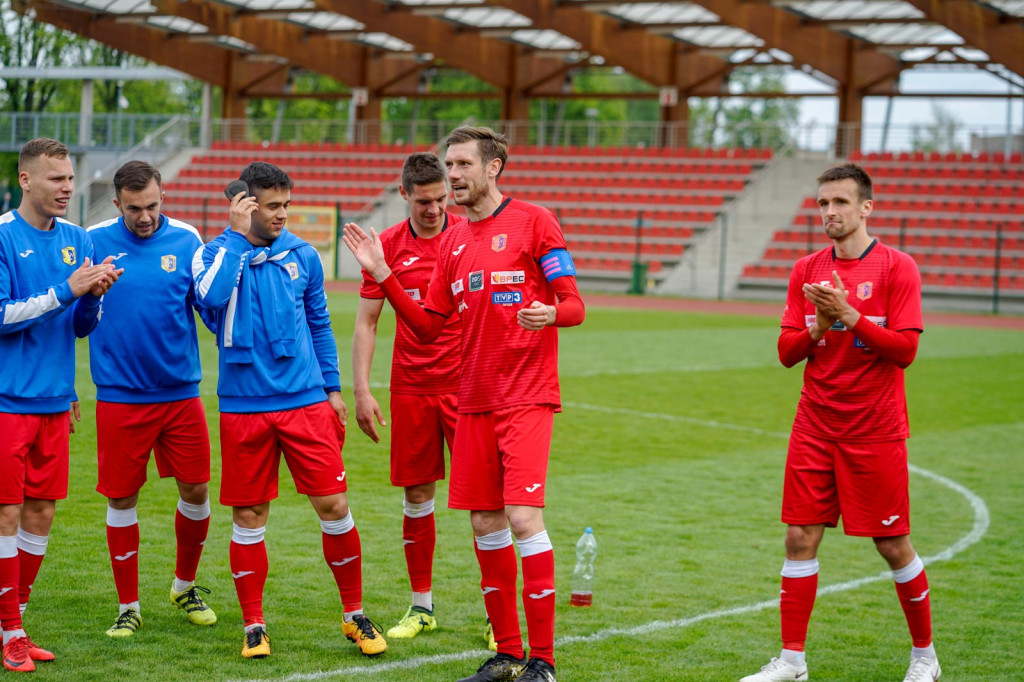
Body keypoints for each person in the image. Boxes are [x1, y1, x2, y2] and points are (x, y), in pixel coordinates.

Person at [344, 126, 586, 682]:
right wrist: (382, 274)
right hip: (471, 400)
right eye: (448, 165)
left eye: (461, 165)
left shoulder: (535, 221)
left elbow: (573, 304)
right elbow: (428, 328)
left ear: (493, 168)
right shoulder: (453, 243)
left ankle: (543, 663)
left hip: (525, 396)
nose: (452, 175)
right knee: (484, 523)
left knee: (523, 518)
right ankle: (506, 653)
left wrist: (551, 313)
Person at [742, 164, 937, 682]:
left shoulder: (898, 268)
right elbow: (786, 353)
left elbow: (906, 351)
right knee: (799, 539)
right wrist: (820, 326)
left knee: (892, 544)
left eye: (840, 203)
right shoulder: (806, 269)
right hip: (814, 426)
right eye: (823, 203)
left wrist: (850, 316)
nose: (829, 212)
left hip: (875, 429)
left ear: (865, 208)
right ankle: (791, 662)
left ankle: (925, 658)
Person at [192, 161, 387, 660]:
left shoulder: (302, 255)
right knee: (250, 514)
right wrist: (237, 240)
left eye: (286, 205)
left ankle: (354, 615)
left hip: (305, 401)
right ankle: (254, 624)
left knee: (335, 506)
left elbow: (319, 323)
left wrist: (334, 388)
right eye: (272, 207)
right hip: (244, 407)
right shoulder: (212, 255)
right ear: (246, 205)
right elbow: (209, 301)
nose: (282, 215)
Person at [0, 138, 121, 672]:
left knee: (41, 513)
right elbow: (3, 315)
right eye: (56, 179)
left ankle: (15, 621)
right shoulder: (2, 236)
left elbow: (77, 327)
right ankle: (10, 631)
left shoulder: (77, 239)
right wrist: (68, 290)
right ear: (26, 180)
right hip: (7, 400)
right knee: (6, 513)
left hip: (53, 401)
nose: (67, 188)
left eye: (70, 179)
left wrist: (93, 298)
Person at [86, 160, 218, 638]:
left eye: (153, 206)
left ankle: (184, 586)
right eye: (135, 208)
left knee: (197, 491)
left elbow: (209, 308)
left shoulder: (186, 239)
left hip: (181, 393)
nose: (145, 217)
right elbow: (75, 314)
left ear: (163, 197)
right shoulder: (93, 240)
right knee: (122, 497)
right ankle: (128, 606)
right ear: (118, 203)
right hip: (120, 396)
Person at [352, 152, 464, 640]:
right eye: (424, 201)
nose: (435, 209)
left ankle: (494, 615)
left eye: (442, 199)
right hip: (413, 388)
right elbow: (367, 322)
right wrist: (361, 389)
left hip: (466, 387)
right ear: (404, 195)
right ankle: (421, 606)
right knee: (417, 496)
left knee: (488, 502)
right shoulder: (388, 247)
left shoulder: (467, 237)